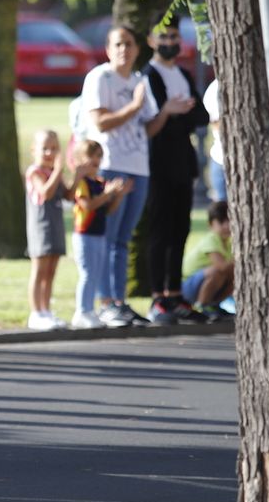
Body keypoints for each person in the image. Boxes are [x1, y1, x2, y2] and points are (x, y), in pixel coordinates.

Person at [79, 25, 193, 327]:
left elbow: (148, 128)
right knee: (107, 235)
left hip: (138, 166)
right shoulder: (100, 78)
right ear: (107, 48)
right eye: (117, 44)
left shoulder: (139, 80)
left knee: (123, 239)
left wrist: (164, 112)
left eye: (129, 44)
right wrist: (133, 105)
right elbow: (101, 122)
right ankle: (105, 303)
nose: (123, 50)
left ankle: (120, 301)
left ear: (137, 49)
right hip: (111, 165)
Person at [143, 22, 210, 324]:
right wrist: (173, 112)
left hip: (183, 161)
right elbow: (157, 117)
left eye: (174, 37)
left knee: (180, 229)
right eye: (164, 37)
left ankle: (175, 292)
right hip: (158, 164)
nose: (170, 42)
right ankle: (158, 296)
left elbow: (201, 114)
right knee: (160, 230)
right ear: (151, 41)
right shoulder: (149, 76)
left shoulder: (182, 74)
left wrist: (177, 112)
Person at [70, 140, 131, 329]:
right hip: (84, 234)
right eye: (91, 156)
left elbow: (107, 210)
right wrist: (108, 193)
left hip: (99, 234)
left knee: (96, 274)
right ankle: (82, 310)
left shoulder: (100, 183)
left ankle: (90, 310)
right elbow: (88, 205)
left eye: (98, 156)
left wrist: (118, 195)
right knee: (87, 273)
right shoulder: (82, 184)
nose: (96, 160)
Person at [24, 128, 69, 331]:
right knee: (39, 269)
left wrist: (79, 175)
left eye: (54, 149)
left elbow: (68, 194)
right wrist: (59, 172)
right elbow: (46, 192)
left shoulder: (54, 172)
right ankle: (36, 312)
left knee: (51, 271)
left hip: (56, 224)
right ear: (34, 150)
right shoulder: (35, 172)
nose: (50, 153)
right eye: (45, 149)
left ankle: (46, 310)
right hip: (41, 225)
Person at [181, 200, 234, 320]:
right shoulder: (211, 239)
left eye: (230, 221)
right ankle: (202, 305)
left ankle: (214, 305)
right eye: (221, 222)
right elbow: (221, 267)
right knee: (217, 271)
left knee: (233, 275)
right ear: (211, 225)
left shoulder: (229, 243)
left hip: (203, 285)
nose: (227, 226)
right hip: (187, 287)